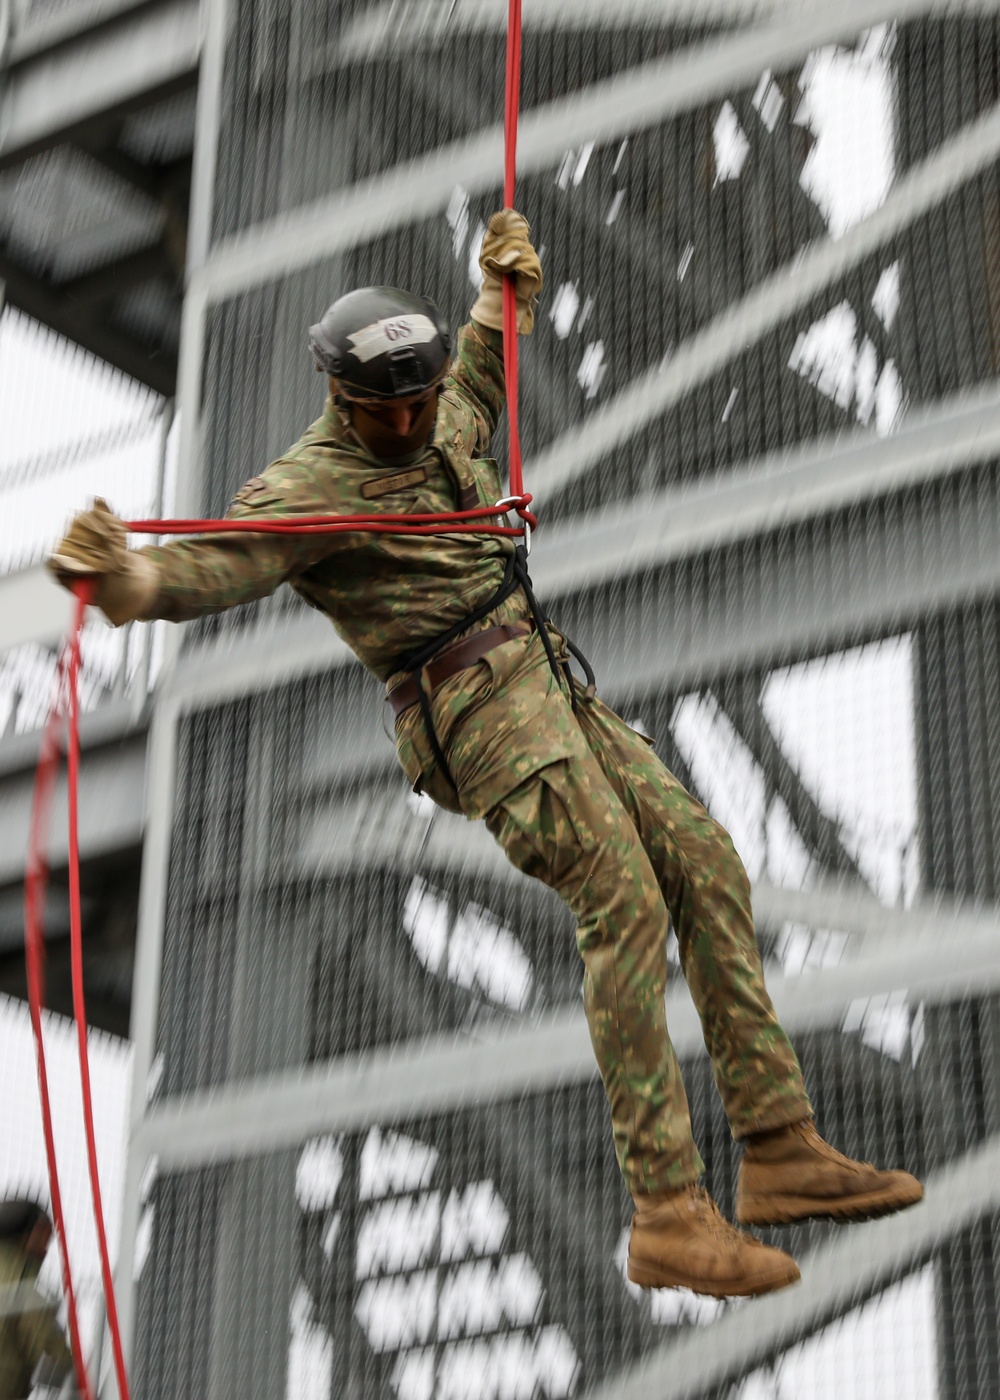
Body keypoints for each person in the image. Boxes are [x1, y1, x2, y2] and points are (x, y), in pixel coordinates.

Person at [49, 210, 923, 1298]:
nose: (411, 422)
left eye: (416, 401)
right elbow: (197, 573)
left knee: (703, 861)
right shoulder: (310, 490)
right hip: (474, 708)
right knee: (624, 898)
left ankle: (779, 1143)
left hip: (551, 679)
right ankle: (666, 1210)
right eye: (387, 411)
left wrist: (500, 288)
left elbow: (477, 372)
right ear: (341, 399)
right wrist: (113, 578)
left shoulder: (435, 410)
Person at [0, 1200, 74, 1399]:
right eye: (44, 1237)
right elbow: (51, 1355)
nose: (46, 1249)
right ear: (31, 1233)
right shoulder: (21, 1290)